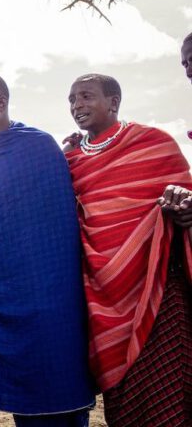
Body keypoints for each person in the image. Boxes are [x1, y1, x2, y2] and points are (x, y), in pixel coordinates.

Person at [0, 73, 94, 427]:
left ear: (1, 102)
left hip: (48, 283)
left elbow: (58, 217)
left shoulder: (38, 146)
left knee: (59, 369)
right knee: (20, 383)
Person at [64, 74, 192, 426]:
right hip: (102, 298)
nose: (76, 105)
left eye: (86, 96)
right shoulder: (71, 160)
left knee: (171, 399)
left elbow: (186, 205)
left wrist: (182, 207)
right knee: (125, 405)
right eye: (72, 99)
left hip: (157, 289)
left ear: (114, 102)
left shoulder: (154, 144)